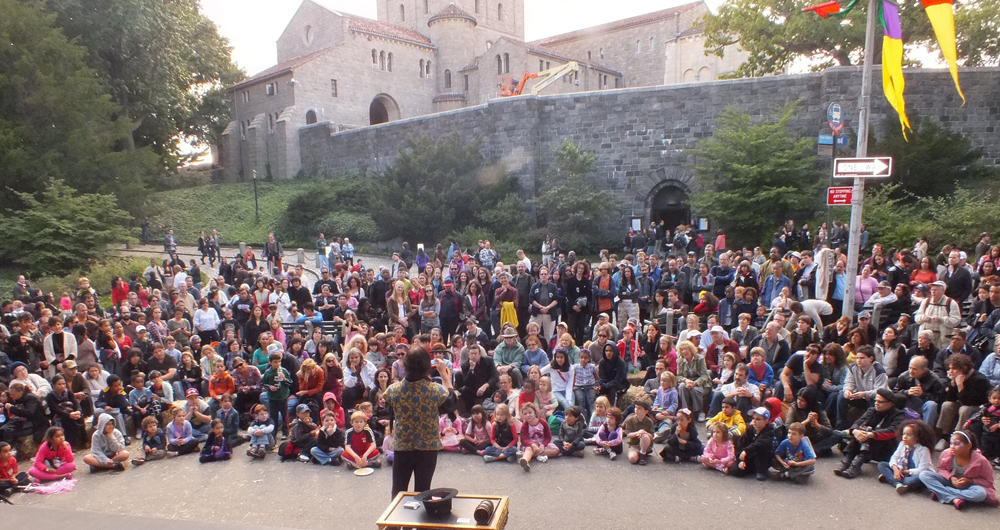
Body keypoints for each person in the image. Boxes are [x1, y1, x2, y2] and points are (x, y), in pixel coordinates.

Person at [383, 346, 458, 497]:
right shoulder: (435, 390)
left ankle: (394, 520)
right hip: (428, 448)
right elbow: (452, 402)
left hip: (403, 446)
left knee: (398, 491)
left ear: (405, 365)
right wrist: (444, 374)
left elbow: (388, 407)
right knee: (423, 491)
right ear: (427, 367)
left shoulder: (393, 390)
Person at [835, 388, 906, 479]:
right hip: (868, 445)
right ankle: (846, 461)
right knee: (859, 434)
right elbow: (858, 422)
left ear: (890, 404)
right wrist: (855, 431)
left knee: (871, 436)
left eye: (880, 402)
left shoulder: (898, 415)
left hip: (885, 449)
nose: (876, 403)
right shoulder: (871, 411)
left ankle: (856, 465)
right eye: (876, 400)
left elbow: (892, 431)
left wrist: (871, 434)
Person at [918, 429, 999, 509]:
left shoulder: (981, 461)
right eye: (951, 443)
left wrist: (970, 481)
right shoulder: (947, 453)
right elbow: (941, 469)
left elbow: (988, 482)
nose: (952, 447)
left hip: (969, 487)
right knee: (924, 474)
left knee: (981, 494)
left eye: (957, 444)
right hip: (950, 482)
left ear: (969, 446)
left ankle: (941, 492)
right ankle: (953, 498)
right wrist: (951, 477)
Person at [877, 419, 936, 494]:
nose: (904, 437)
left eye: (909, 435)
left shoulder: (924, 450)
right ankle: (897, 484)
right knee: (882, 464)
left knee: (916, 479)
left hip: (914, 475)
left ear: (917, 438)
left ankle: (890, 478)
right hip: (903, 472)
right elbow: (894, 458)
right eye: (904, 434)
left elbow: (921, 470)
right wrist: (896, 470)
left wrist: (903, 472)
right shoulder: (902, 444)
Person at [733, 407, 775, 481]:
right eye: (753, 418)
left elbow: (760, 443)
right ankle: (748, 467)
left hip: (762, 459)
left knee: (760, 448)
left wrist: (746, 451)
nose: (754, 421)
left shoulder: (769, 431)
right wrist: (741, 460)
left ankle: (760, 471)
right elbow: (742, 444)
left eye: (758, 419)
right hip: (749, 456)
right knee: (735, 470)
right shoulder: (751, 429)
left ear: (766, 421)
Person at [623, 397, 655, 465]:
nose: (636, 410)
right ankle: (638, 453)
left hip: (646, 444)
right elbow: (628, 434)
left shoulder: (649, 422)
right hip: (634, 444)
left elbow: (651, 436)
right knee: (632, 459)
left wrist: (644, 433)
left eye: (639, 408)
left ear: (646, 411)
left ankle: (642, 454)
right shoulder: (630, 420)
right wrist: (637, 433)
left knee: (644, 436)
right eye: (635, 407)